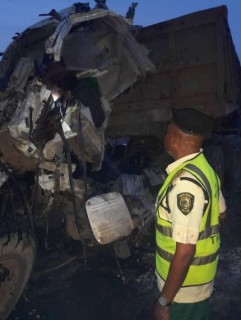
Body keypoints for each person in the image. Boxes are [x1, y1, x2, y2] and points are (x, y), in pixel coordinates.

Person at [153, 108, 227, 320]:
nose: (164, 137)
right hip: (195, 283)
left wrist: (163, 302)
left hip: (183, 291)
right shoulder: (204, 168)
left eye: (167, 132)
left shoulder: (185, 186)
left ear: (175, 138)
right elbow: (222, 213)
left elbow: (185, 252)